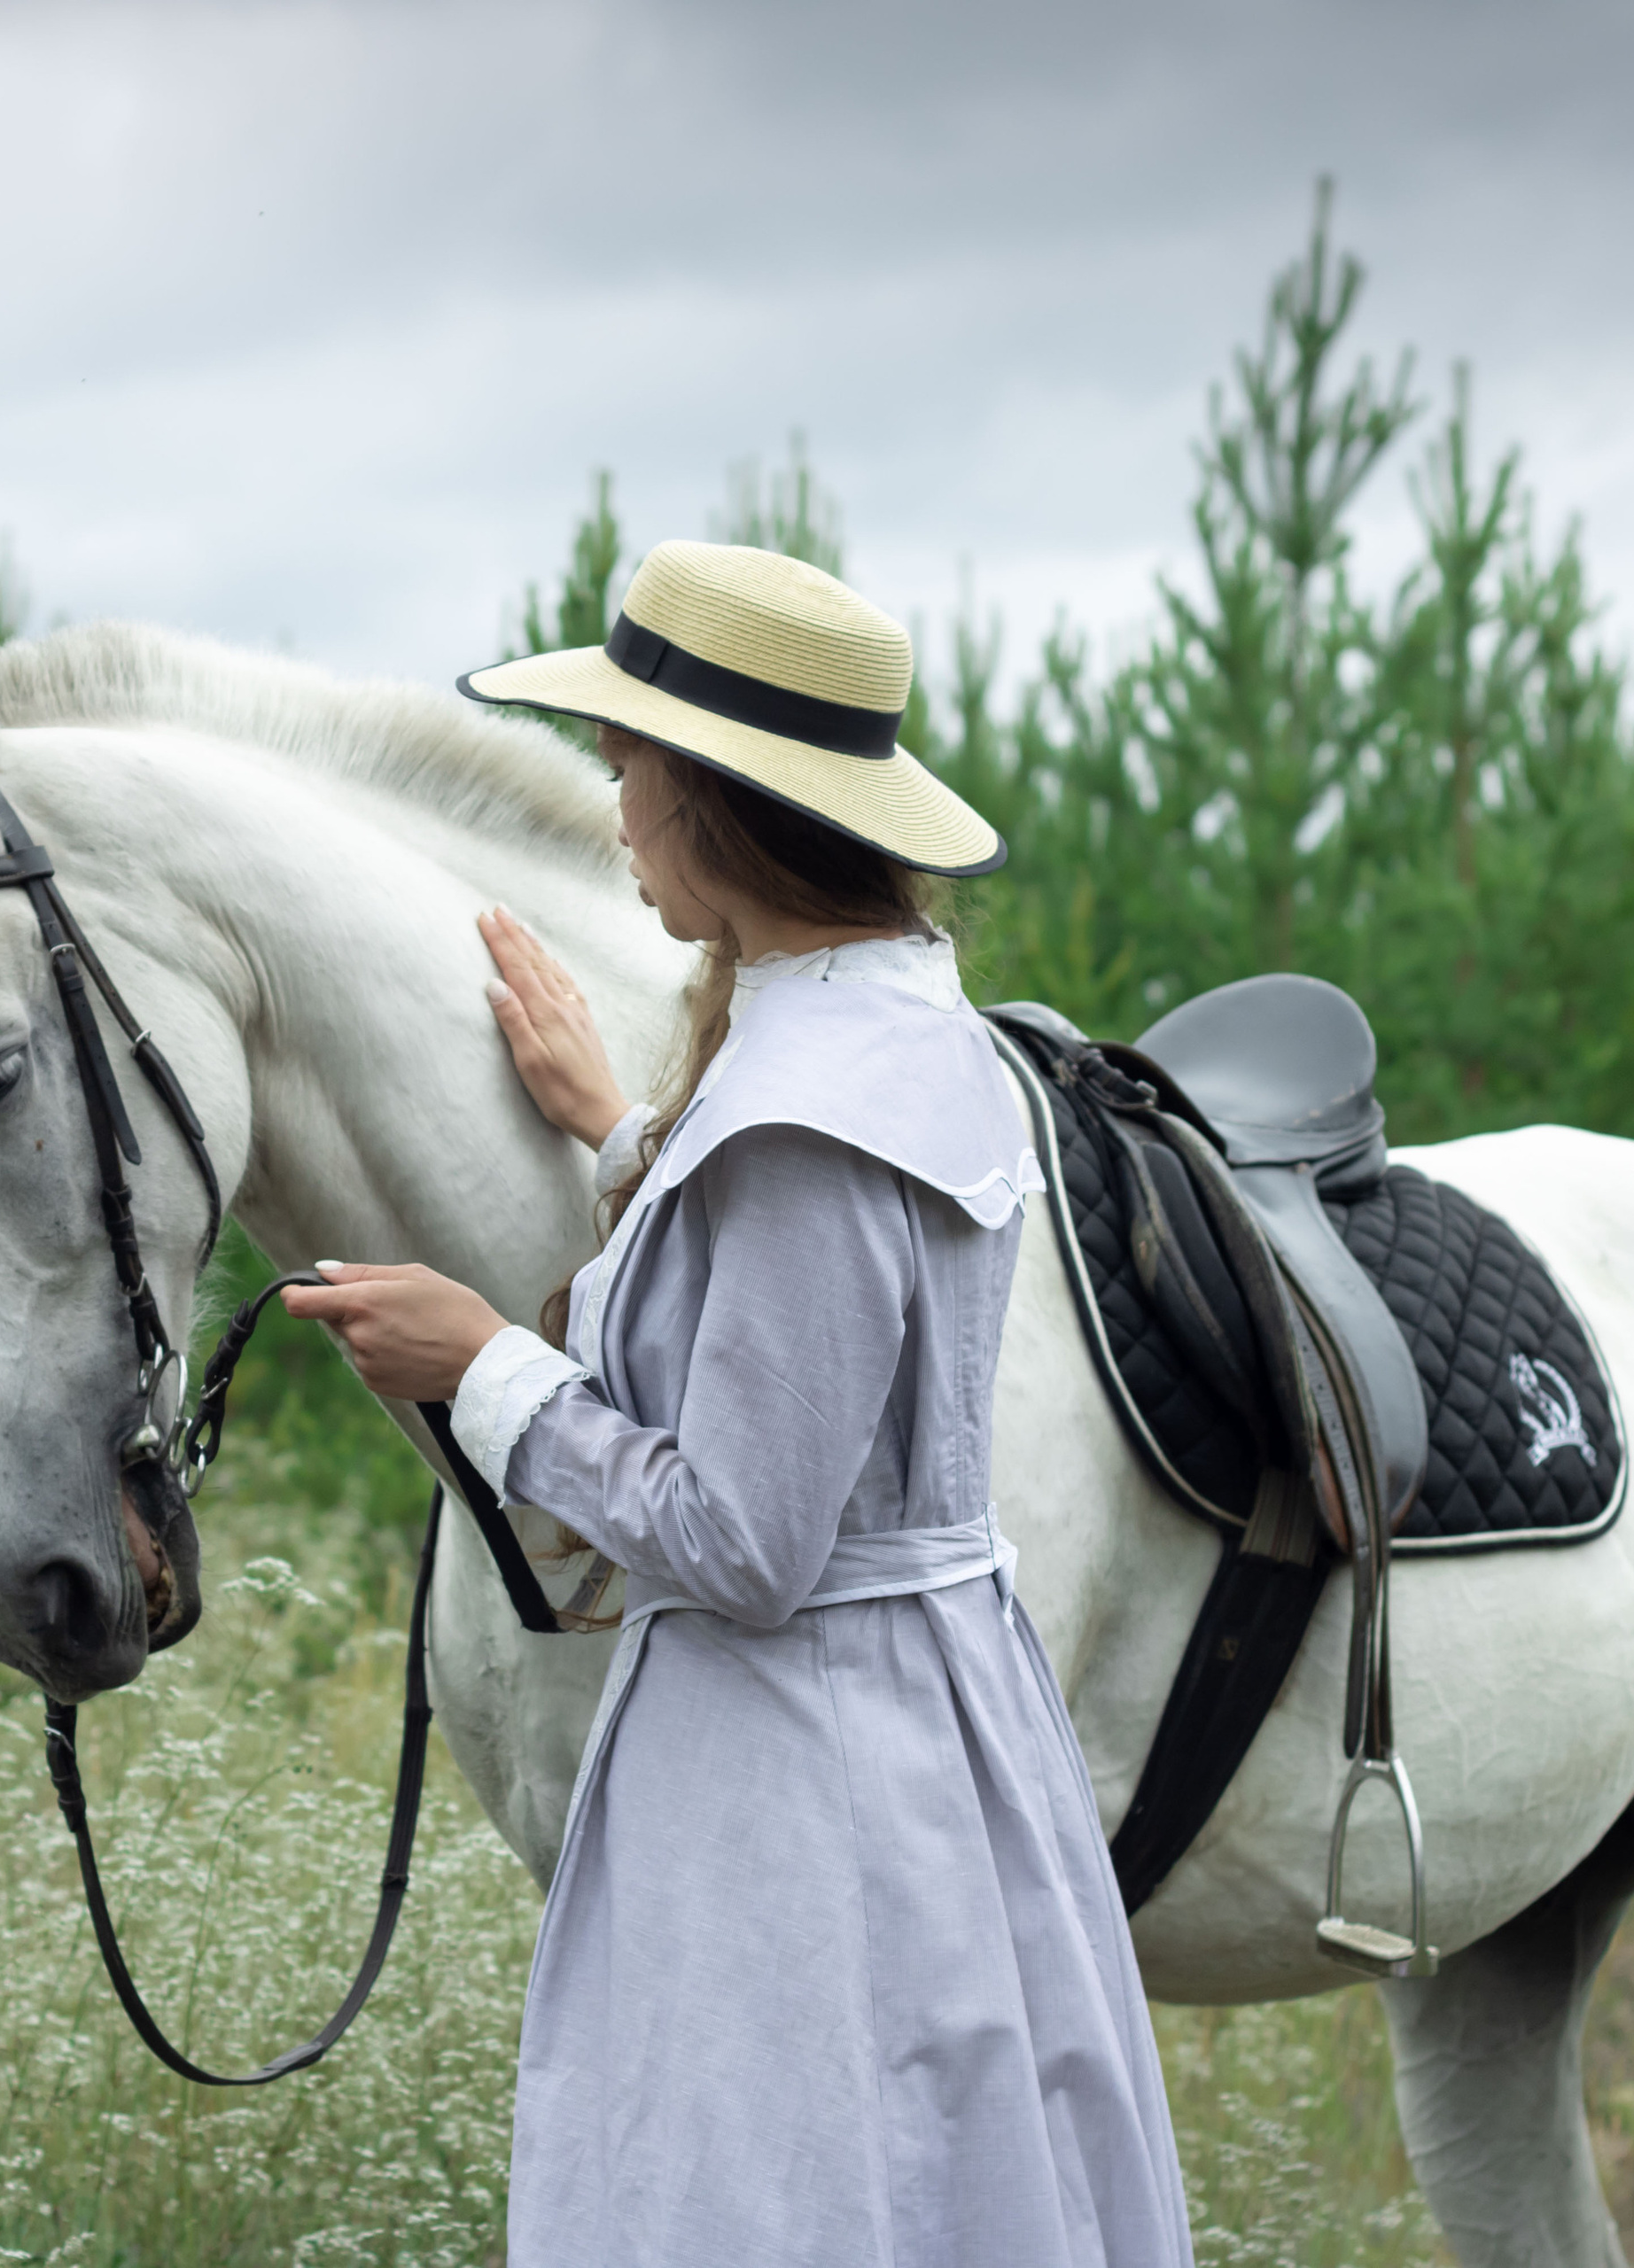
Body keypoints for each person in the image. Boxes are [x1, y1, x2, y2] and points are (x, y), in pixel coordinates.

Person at [281, 540, 1193, 2267]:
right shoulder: (891, 1017)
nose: (609, 800)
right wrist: (625, 1131)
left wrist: (478, 1364)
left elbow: (747, 1537)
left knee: (780, 2191)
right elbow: (814, 1291)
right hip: (919, 1721)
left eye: (628, 762)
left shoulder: (802, 1115)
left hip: (803, 1767)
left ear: (714, 798)